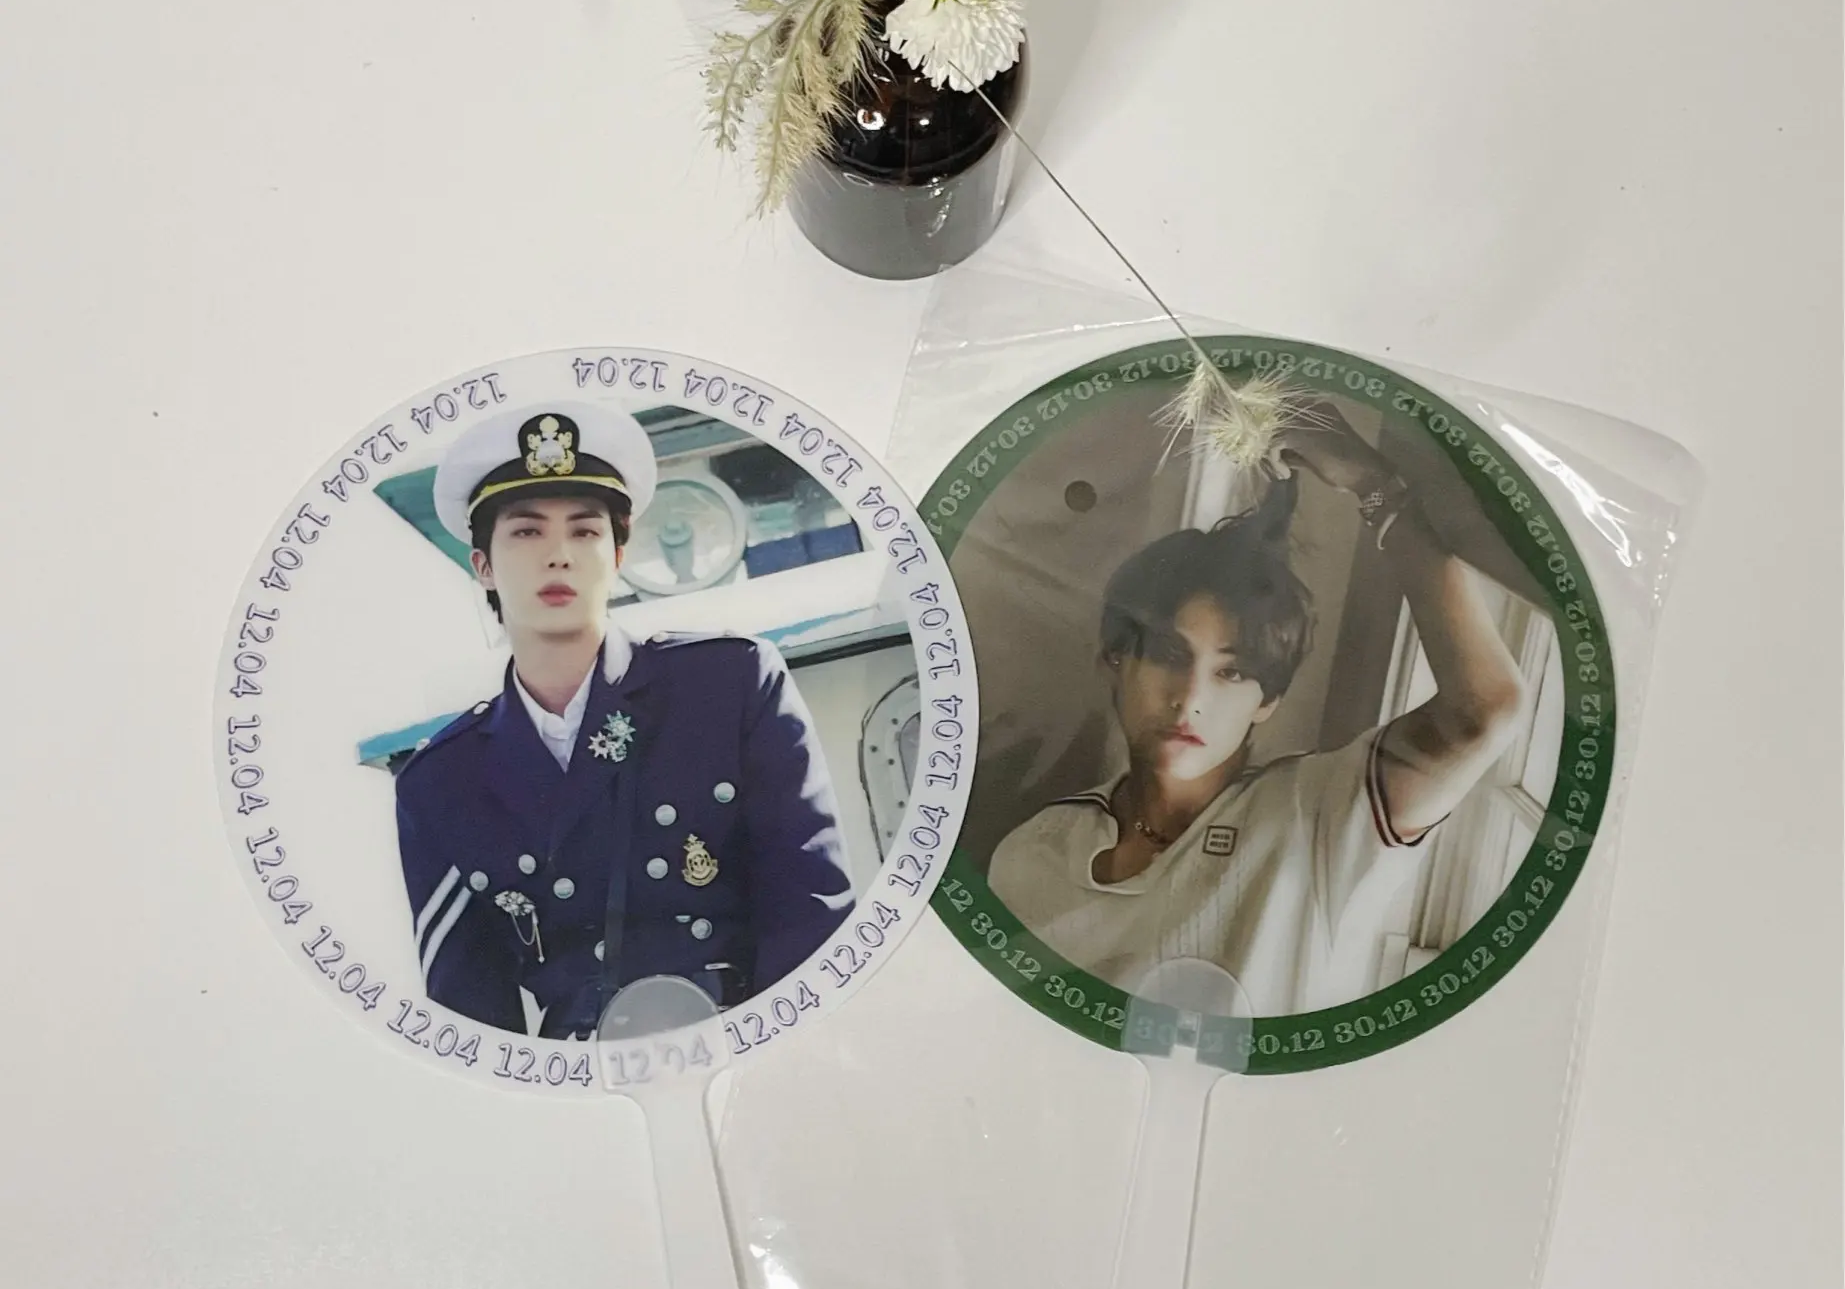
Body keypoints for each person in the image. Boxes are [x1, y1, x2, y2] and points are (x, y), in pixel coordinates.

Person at [986, 402, 1527, 1014]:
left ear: (1267, 700)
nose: (1191, 697)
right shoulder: (1034, 852)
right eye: (1168, 654)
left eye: (1232, 671)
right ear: (1115, 660)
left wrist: (1374, 485)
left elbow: (1485, 710)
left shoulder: (1316, 816)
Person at [394, 403, 854, 1038]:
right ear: (484, 567)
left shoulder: (729, 685)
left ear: (617, 555)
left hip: (749, 1041)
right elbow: (471, 1020)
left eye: (584, 532)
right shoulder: (442, 782)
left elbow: (812, 914)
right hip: (583, 1081)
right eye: (526, 532)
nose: (559, 556)